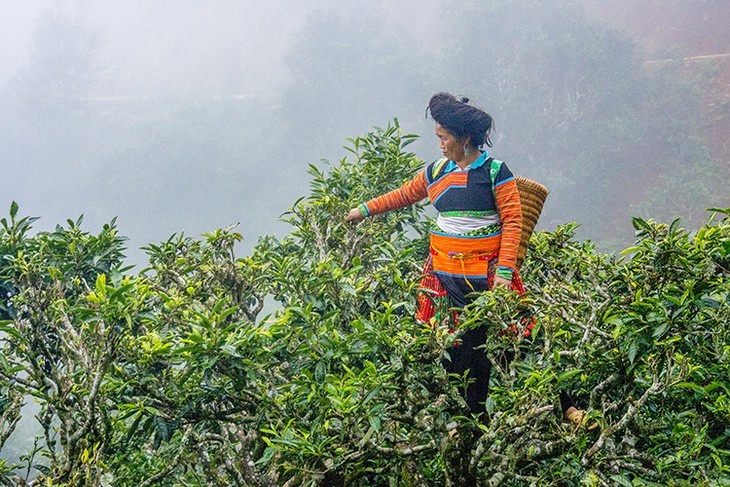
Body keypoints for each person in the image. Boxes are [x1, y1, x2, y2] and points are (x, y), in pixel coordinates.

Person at [345, 92, 522, 417]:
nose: (440, 144)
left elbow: (513, 220)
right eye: (437, 137)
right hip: (441, 277)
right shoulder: (437, 171)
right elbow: (404, 195)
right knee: (447, 348)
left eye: (444, 138)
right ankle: (460, 419)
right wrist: (364, 209)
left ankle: (477, 418)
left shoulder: (495, 172)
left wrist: (505, 275)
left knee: (478, 349)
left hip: (483, 280)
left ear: (464, 137)